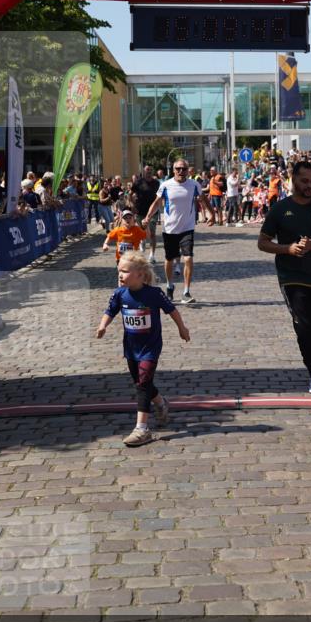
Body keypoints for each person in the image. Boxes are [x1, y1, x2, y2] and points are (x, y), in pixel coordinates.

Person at [258, 160, 311, 395]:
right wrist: (288, 249)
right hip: (291, 277)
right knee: (303, 327)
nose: (310, 185)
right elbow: (262, 243)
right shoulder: (280, 209)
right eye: (305, 181)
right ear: (293, 179)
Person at [96, 250, 190, 447]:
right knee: (141, 382)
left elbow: (172, 311)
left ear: (139, 274)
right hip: (131, 348)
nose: (120, 275)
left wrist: (182, 328)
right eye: (119, 271)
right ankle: (161, 402)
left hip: (150, 347)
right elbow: (110, 311)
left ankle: (142, 428)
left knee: (143, 383)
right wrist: (103, 325)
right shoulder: (119, 294)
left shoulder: (154, 294)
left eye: (125, 271)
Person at [142, 158, 215, 305]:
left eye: (184, 169)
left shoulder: (194, 185)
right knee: (169, 260)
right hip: (170, 229)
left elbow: (203, 199)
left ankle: (186, 292)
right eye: (178, 169)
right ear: (173, 170)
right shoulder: (166, 185)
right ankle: (169, 286)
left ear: (188, 170)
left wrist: (211, 214)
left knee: (188, 258)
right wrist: (147, 217)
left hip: (187, 228)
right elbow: (156, 203)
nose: (181, 171)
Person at [132, 165, 160, 262]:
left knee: (152, 233)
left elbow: (160, 196)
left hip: (153, 212)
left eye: (151, 170)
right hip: (140, 211)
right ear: (143, 171)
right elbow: (130, 194)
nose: (149, 171)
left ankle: (152, 255)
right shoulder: (138, 182)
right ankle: (142, 240)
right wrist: (132, 205)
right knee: (142, 231)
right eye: (147, 170)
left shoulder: (156, 183)